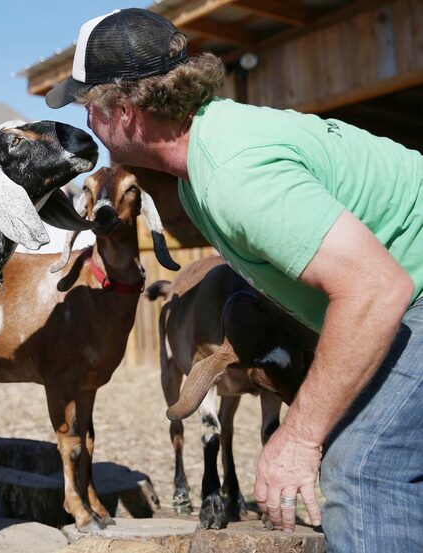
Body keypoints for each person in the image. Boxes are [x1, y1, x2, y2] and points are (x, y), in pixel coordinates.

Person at [45, 7, 423, 552]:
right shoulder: (204, 167)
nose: (87, 124)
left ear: (124, 110)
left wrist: (297, 437)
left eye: (88, 107)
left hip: (410, 292)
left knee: (363, 468)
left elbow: (374, 289)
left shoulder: (234, 173)